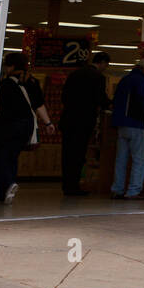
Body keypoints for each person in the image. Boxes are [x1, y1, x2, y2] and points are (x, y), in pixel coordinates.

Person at [0, 52, 42, 204]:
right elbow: (39, 105)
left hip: (8, 126)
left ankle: (8, 183)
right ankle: (4, 194)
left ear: (11, 66)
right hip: (26, 126)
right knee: (12, 157)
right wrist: (48, 123)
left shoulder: (6, 84)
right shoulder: (32, 81)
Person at [59, 51, 111, 196]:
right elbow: (101, 99)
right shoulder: (98, 77)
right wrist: (110, 105)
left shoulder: (74, 74)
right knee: (78, 154)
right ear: (101, 62)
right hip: (84, 121)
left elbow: (64, 96)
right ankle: (73, 186)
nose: (105, 68)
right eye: (106, 64)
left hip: (68, 119)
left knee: (67, 153)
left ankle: (66, 185)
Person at [110, 57, 144, 199]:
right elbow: (143, 103)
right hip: (136, 123)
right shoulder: (140, 80)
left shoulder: (125, 79)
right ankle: (133, 191)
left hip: (121, 124)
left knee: (121, 159)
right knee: (139, 159)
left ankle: (117, 189)